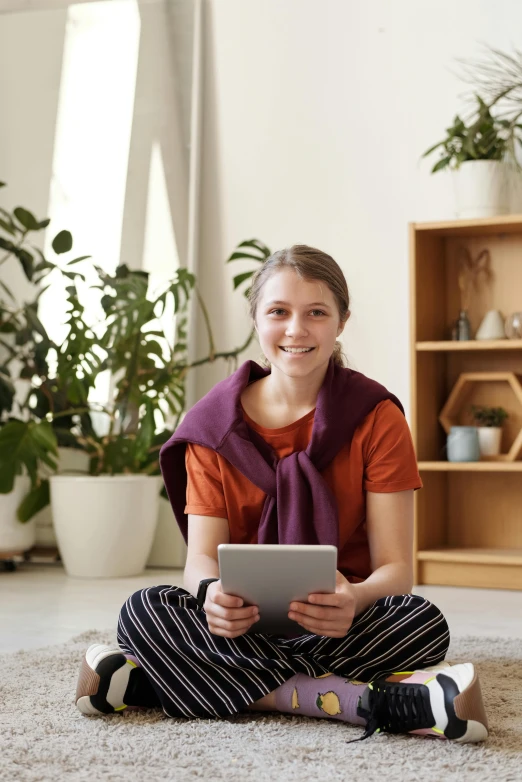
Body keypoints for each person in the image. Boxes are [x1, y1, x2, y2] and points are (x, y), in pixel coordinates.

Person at [75, 245, 489, 744]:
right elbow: (201, 559)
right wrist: (212, 597)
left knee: (421, 621)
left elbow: (397, 570)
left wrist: (355, 598)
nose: (296, 330)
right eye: (278, 312)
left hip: (340, 622)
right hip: (237, 627)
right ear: (256, 318)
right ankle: (352, 701)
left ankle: (151, 683)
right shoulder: (211, 428)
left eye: (317, 312)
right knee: (144, 610)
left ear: (341, 322)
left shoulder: (377, 418)